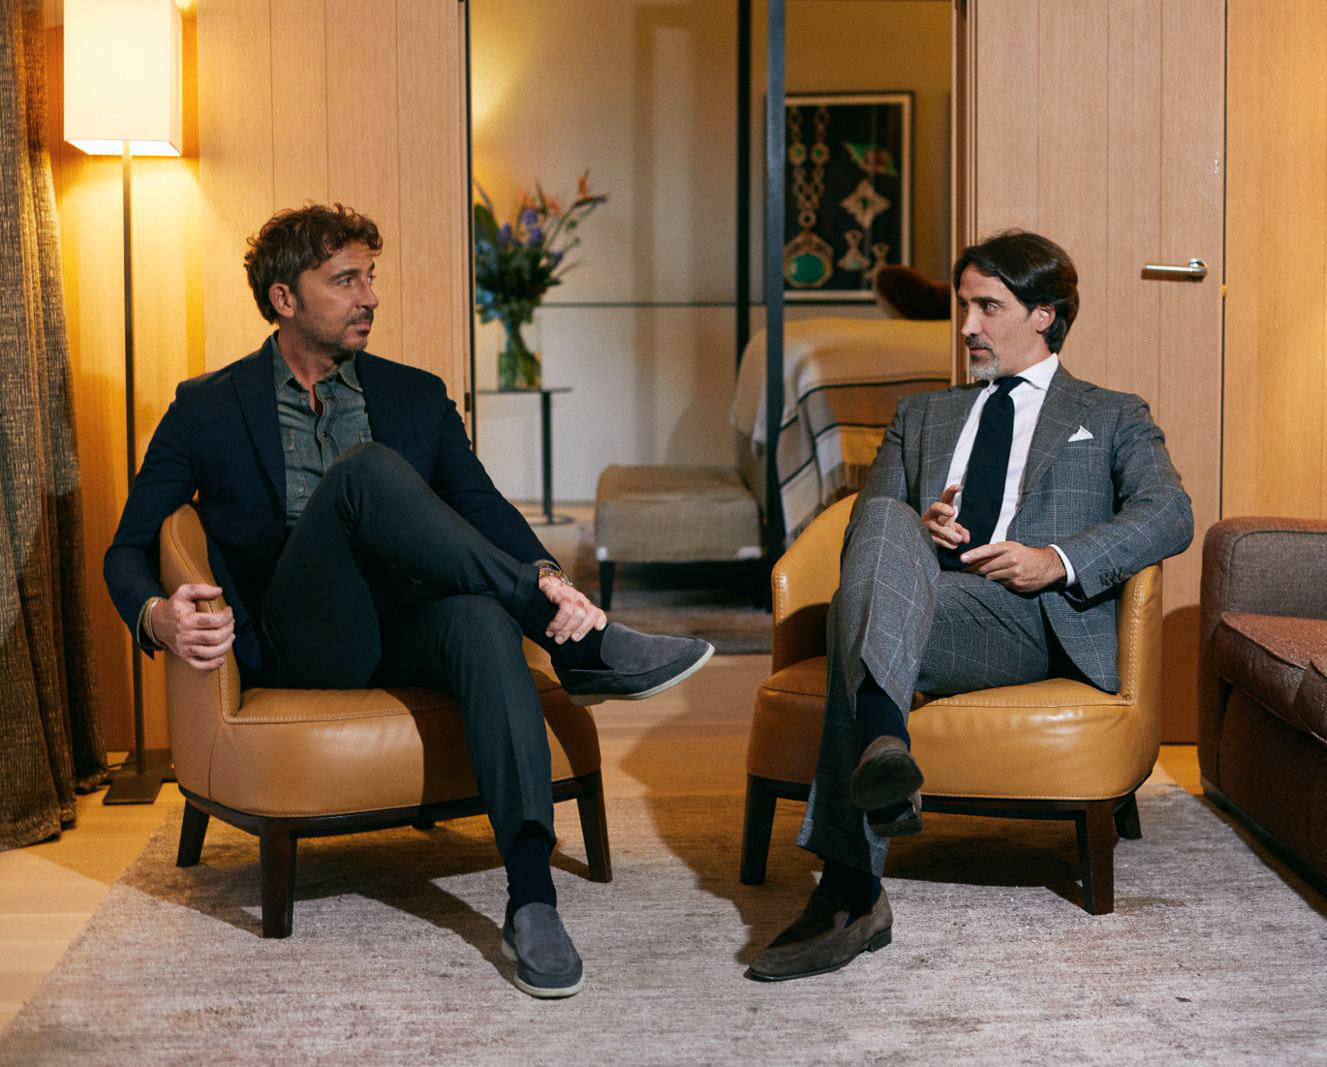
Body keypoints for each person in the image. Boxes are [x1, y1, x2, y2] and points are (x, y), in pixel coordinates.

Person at [104, 203, 713, 999]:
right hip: (306, 639)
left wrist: (548, 577)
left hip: (408, 626)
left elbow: (483, 506)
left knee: (481, 618)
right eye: (344, 280)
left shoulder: (416, 394)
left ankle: (531, 895)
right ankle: (578, 647)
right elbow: (126, 548)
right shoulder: (207, 407)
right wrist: (157, 616)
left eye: (370, 277)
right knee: (363, 472)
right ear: (284, 298)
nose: (369, 297)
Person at [748, 230, 1193, 982]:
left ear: (1044, 315)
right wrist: (919, 531)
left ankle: (849, 886)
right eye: (963, 306)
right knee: (882, 516)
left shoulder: (1112, 412)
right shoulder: (921, 414)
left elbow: (1169, 513)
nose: (966, 327)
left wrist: (1054, 559)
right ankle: (881, 765)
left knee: (860, 619)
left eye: (988, 307)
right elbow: (863, 535)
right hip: (917, 602)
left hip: (1025, 619)